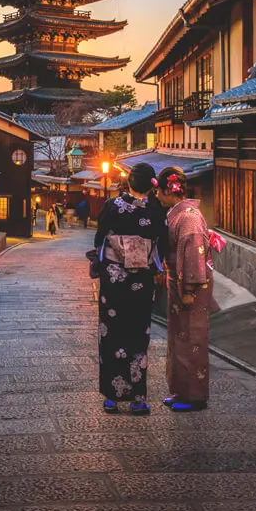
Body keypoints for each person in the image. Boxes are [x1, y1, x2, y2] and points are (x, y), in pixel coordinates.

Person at [94, 163, 166, 415]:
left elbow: (99, 239)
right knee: (138, 335)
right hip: (141, 282)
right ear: (151, 185)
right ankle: (138, 398)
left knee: (111, 333)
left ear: (129, 182)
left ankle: (112, 398)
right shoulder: (156, 209)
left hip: (114, 280)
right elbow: (161, 245)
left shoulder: (111, 206)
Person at [155, 166, 222, 412]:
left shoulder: (189, 217)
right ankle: (181, 390)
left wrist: (189, 289)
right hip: (179, 280)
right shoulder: (179, 214)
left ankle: (194, 396)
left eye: (158, 191)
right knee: (178, 336)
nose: (157, 197)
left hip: (190, 284)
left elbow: (194, 254)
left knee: (192, 338)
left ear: (166, 190)